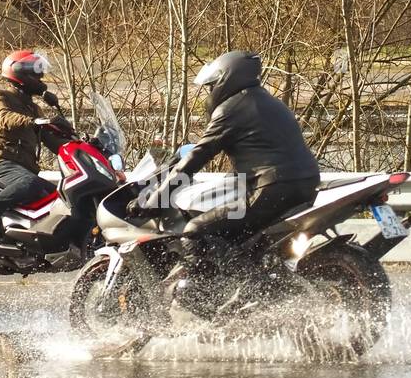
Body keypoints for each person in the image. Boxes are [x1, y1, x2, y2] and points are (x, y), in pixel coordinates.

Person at [136, 49, 320, 269]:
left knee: (195, 229)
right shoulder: (271, 103)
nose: (211, 92)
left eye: (212, 85)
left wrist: (157, 198)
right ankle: (245, 280)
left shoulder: (230, 109)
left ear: (227, 78)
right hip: (304, 185)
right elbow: (263, 154)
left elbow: (196, 156)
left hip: (270, 191)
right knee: (236, 234)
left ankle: (199, 298)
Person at [0, 50, 70, 235]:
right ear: (20, 74)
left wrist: (82, 145)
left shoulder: (34, 109)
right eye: (36, 73)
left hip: (24, 169)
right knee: (30, 183)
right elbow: (5, 118)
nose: (41, 77)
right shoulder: (0, 97)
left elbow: (53, 141)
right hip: (1, 163)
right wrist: (35, 122)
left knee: (58, 197)